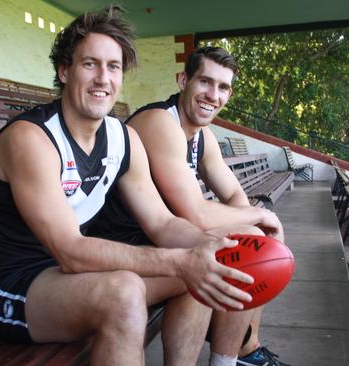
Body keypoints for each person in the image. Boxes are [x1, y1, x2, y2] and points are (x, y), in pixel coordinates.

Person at [0, 6, 254, 366]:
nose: (103, 78)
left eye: (114, 66)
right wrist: (180, 261)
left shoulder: (125, 139)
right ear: (64, 71)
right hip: (14, 286)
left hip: (76, 276)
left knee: (208, 267)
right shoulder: (31, 139)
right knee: (124, 293)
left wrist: (215, 245)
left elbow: (162, 223)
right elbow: (70, 251)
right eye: (90, 64)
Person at [88, 46, 290, 366]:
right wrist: (259, 214)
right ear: (183, 81)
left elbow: (235, 196)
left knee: (256, 243)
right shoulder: (159, 121)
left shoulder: (202, 136)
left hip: (162, 238)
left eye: (223, 87)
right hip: (120, 246)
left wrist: (254, 220)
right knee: (221, 254)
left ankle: (236, 357)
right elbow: (195, 212)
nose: (213, 94)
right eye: (205, 82)